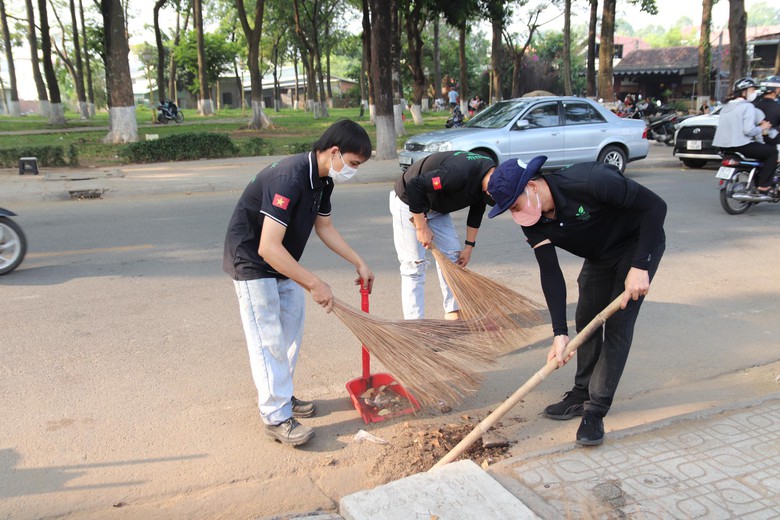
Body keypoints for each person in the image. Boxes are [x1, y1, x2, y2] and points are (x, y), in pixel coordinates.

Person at [487, 156, 667, 446]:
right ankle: (581, 393)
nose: (515, 214)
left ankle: (595, 411)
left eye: (515, 205)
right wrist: (559, 333)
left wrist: (641, 265)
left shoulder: (591, 181)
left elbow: (656, 207)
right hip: (600, 255)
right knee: (585, 320)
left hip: (637, 246)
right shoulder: (531, 219)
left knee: (618, 324)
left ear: (531, 186)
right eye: (509, 209)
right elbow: (550, 272)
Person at [223, 119, 375, 447]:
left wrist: (358, 261)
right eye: (352, 163)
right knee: (269, 342)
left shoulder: (323, 180)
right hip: (252, 261)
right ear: (334, 152)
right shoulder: (289, 179)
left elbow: (325, 227)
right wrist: (314, 283)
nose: (353, 171)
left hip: (282, 260)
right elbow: (267, 247)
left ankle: (282, 395)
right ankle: (276, 417)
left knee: (290, 332)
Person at [390, 151, 497, 320]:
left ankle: (453, 312)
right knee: (414, 265)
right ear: (490, 186)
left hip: (437, 207)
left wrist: (469, 246)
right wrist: (421, 227)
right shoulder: (457, 174)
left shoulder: (488, 174)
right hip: (408, 201)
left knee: (453, 259)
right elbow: (414, 186)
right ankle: (416, 325)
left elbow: (478, 209)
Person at [712, 77, 776, 193]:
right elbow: (749, 130)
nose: (754, 93)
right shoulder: (747, 106)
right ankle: (764, 185)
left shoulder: (725, 106)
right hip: (741, 145)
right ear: (743, 92)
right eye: (751, 90)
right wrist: (762, 127)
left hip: (723, 146)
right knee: (772, 152)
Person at [754, 76, 780, 148]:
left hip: (754, 142)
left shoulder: (753, 105)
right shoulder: (777, 107)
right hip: (773, 144)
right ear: (776, 90)